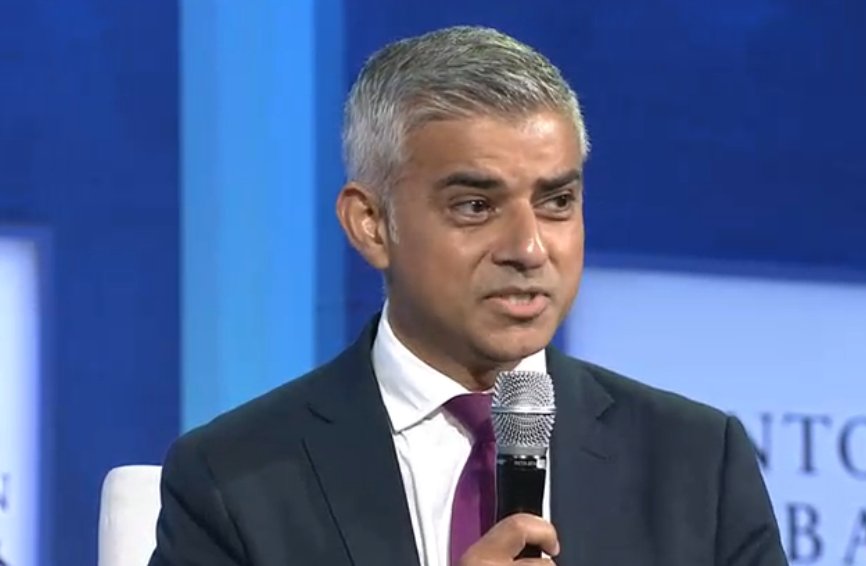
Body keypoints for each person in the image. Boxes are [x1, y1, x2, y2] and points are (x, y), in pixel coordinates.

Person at [149, 25, 787, 566]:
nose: (529, 248)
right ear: (371, 224)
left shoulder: (696, 465)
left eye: (557, 202)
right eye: (476, 206)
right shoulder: (234, 479)